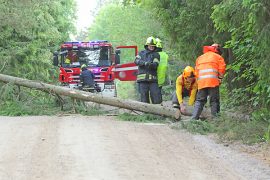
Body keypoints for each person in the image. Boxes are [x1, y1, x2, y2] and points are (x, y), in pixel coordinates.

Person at [191, 44, 226, 120]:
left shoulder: (200, 58)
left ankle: (194, 119)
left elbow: (196, 72)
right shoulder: (218, 57)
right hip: (213, 81)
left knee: (200, 100)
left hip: (202, 82)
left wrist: (199, 82)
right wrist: (220, 79)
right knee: (214, 101)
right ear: (217, 50)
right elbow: (221, 69)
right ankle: (216, 120)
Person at [134, 36, 161, 104]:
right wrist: (144, 63)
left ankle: (157, 112)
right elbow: (136, 61)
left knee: (156, 97)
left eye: (153, 46)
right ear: (147, 45)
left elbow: (156, 64)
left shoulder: (156, 54)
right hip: (142, 80)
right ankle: (146, 114)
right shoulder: (141, 53)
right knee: (144, 98)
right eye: (150, 45)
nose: (152, 47)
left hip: (153, 80)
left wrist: (150, 64)